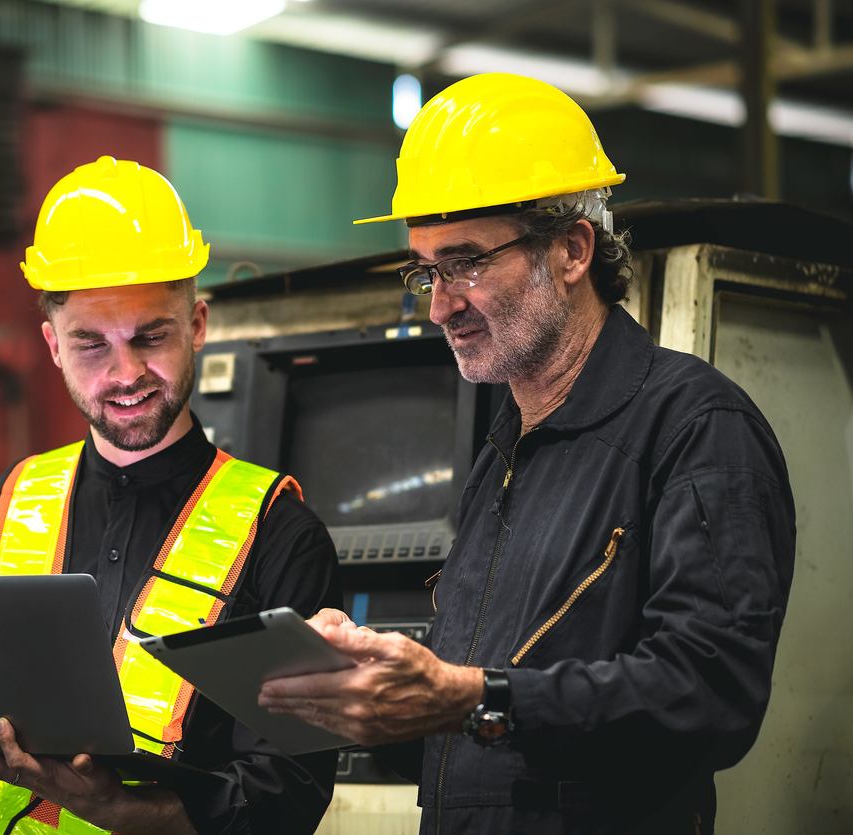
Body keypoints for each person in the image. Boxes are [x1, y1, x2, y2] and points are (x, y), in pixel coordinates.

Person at [257, 73, 796, 834]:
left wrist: (475, 695)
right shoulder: (504, 453)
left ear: (572, 250)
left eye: (467, 261)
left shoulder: (694, 427)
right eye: (426, 271)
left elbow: (709, 692)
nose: (439, 304)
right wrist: (374, 686)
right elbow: (475, 734)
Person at [0, 156, 343, 835]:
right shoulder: (1, 507)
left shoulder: (280, 536)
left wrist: (116, 806)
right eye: (91, 344)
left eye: (150, 336)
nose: (125, 373)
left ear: (199, 325)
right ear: (52, 346)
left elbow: (287, 794)